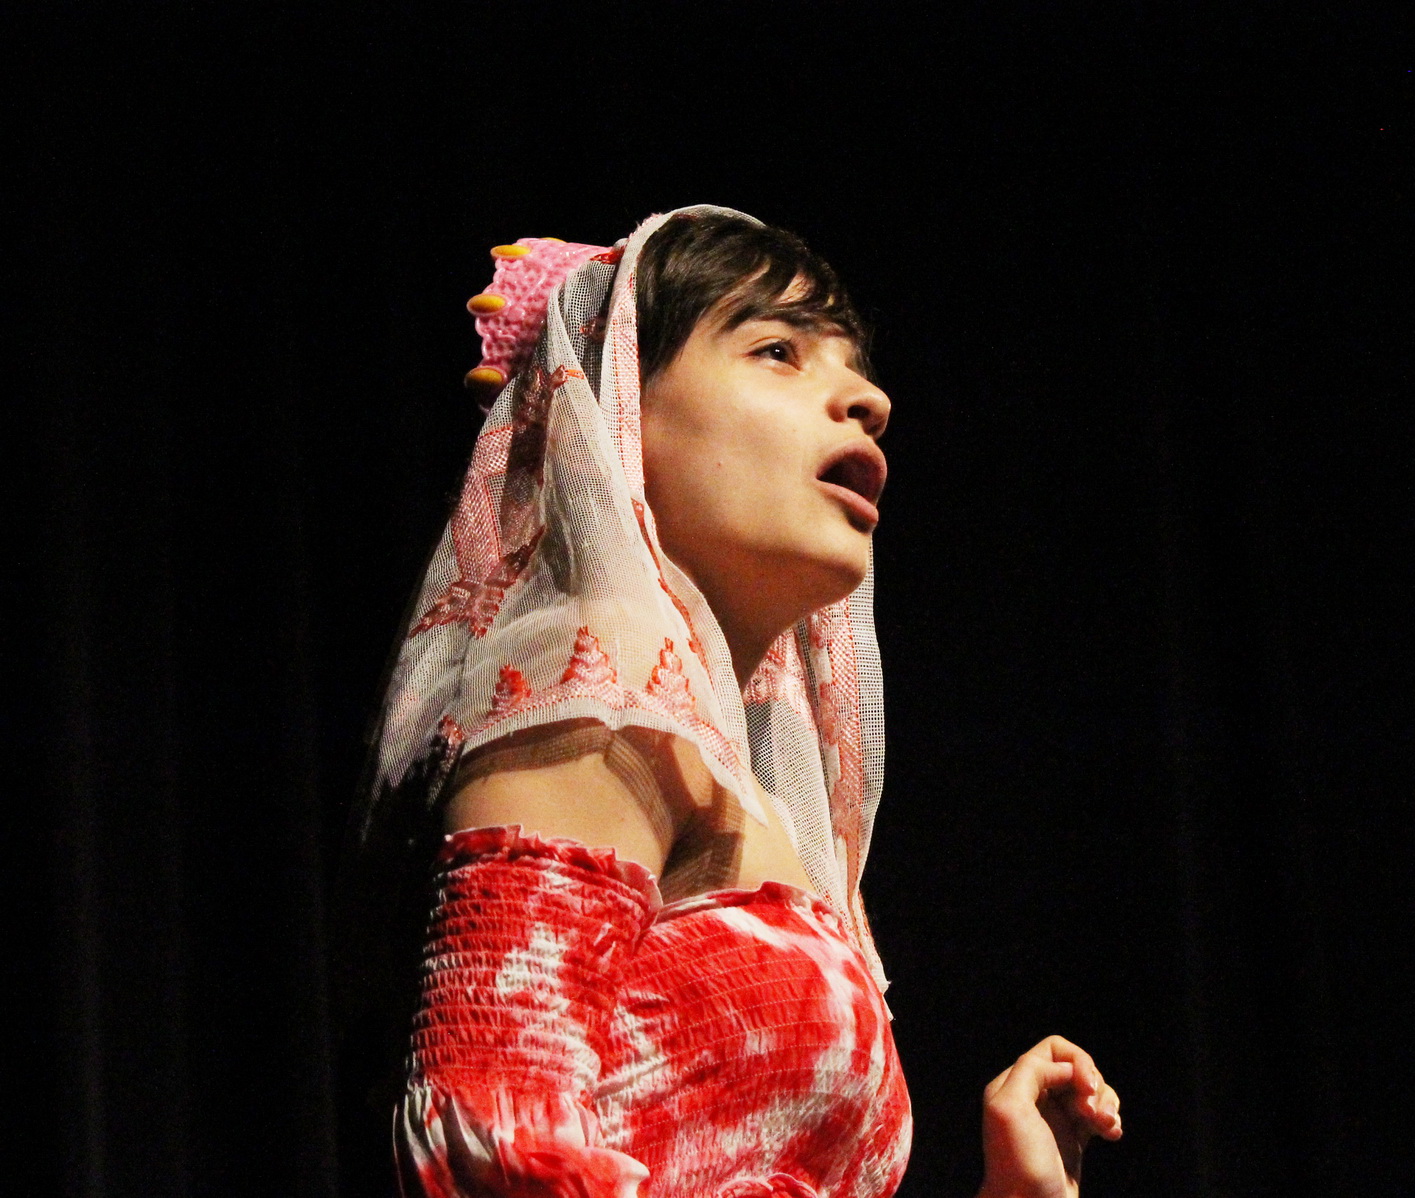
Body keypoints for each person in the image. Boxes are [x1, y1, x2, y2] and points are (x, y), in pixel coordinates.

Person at [354, 206, 1122, 1198]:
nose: (870, 400)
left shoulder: (749, 796)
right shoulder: (598, 681)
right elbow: (493, 1140)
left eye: (853, 363)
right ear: (617, 405)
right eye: (777, 351)